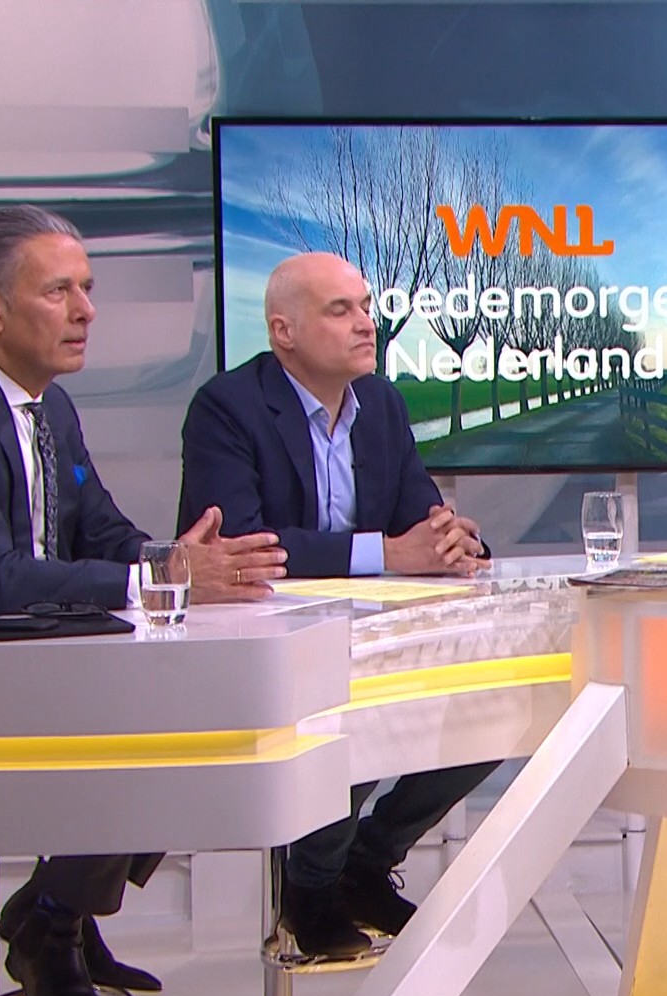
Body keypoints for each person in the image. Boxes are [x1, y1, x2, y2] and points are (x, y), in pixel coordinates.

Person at [0, 205, 288, 996]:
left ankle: (61, 910)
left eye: (87, 288)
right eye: (59, 292)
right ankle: (50, 922)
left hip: (23, 662)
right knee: (157, 724)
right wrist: (160, 576)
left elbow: (102, 532)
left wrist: (176, 558)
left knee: (205, 711)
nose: (86, 311)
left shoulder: (50, 409)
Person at [178, 251, 495, 959]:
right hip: (271, 641)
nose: (366, 324)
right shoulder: (227, 407)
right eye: (340, 310)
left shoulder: (380, 403)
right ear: (283, 331)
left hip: (373, 635)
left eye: (366, 306)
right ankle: (312, 887)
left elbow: (420, 519)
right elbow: (240, 546)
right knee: (351, 711)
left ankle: (366, 861)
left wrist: (456, 541)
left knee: (493, 710)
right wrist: (390, 552)